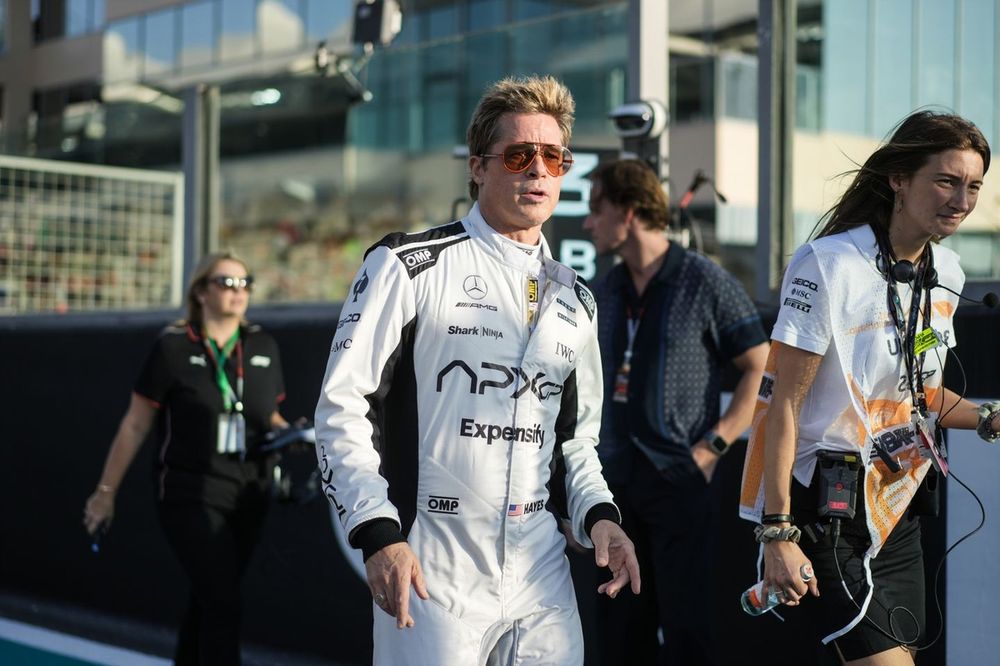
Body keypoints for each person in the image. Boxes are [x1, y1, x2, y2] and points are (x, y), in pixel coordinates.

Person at [314, 75, 640, 665]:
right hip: (433, 568)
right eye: (518, 155)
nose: (537, 171)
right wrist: (378, 535)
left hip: (541, 572)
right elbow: (341, 408)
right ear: (477, 167)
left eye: (553, 156)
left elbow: (577, 443)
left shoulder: (578, 301)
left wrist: (601, 518)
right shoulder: (407, 265)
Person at [738, 110, 1000, 665]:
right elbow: (783, 406)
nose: (962, 199)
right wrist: (776, 533)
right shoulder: (827, 265)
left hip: (897, 506)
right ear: (898, 179)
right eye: (947, 180)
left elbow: (918, 397)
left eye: (974, 185)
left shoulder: (946, 271)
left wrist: (983, 417)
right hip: (825, 509)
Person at [583, 159, 769, 665]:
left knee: (688, 632)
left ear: (629, 211)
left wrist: (712, 449)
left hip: (679, 481)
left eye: (595, 209)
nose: (586, 222)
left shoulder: (703, 280)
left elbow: (762, 369)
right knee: (620, 634)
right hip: (614, 484)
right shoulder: (604, 289)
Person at [83, 251, 288, 666]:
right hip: (189, 491)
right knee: (223, 601)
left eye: (245, 283)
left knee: (209, 597)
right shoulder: (173, 346)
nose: (238, 291)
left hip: (249, 492)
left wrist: (295, 433)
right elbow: (136, 425)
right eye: (226, 283)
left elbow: (270, 416)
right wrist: (105, 493)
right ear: (200, 291)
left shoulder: (262, 345)